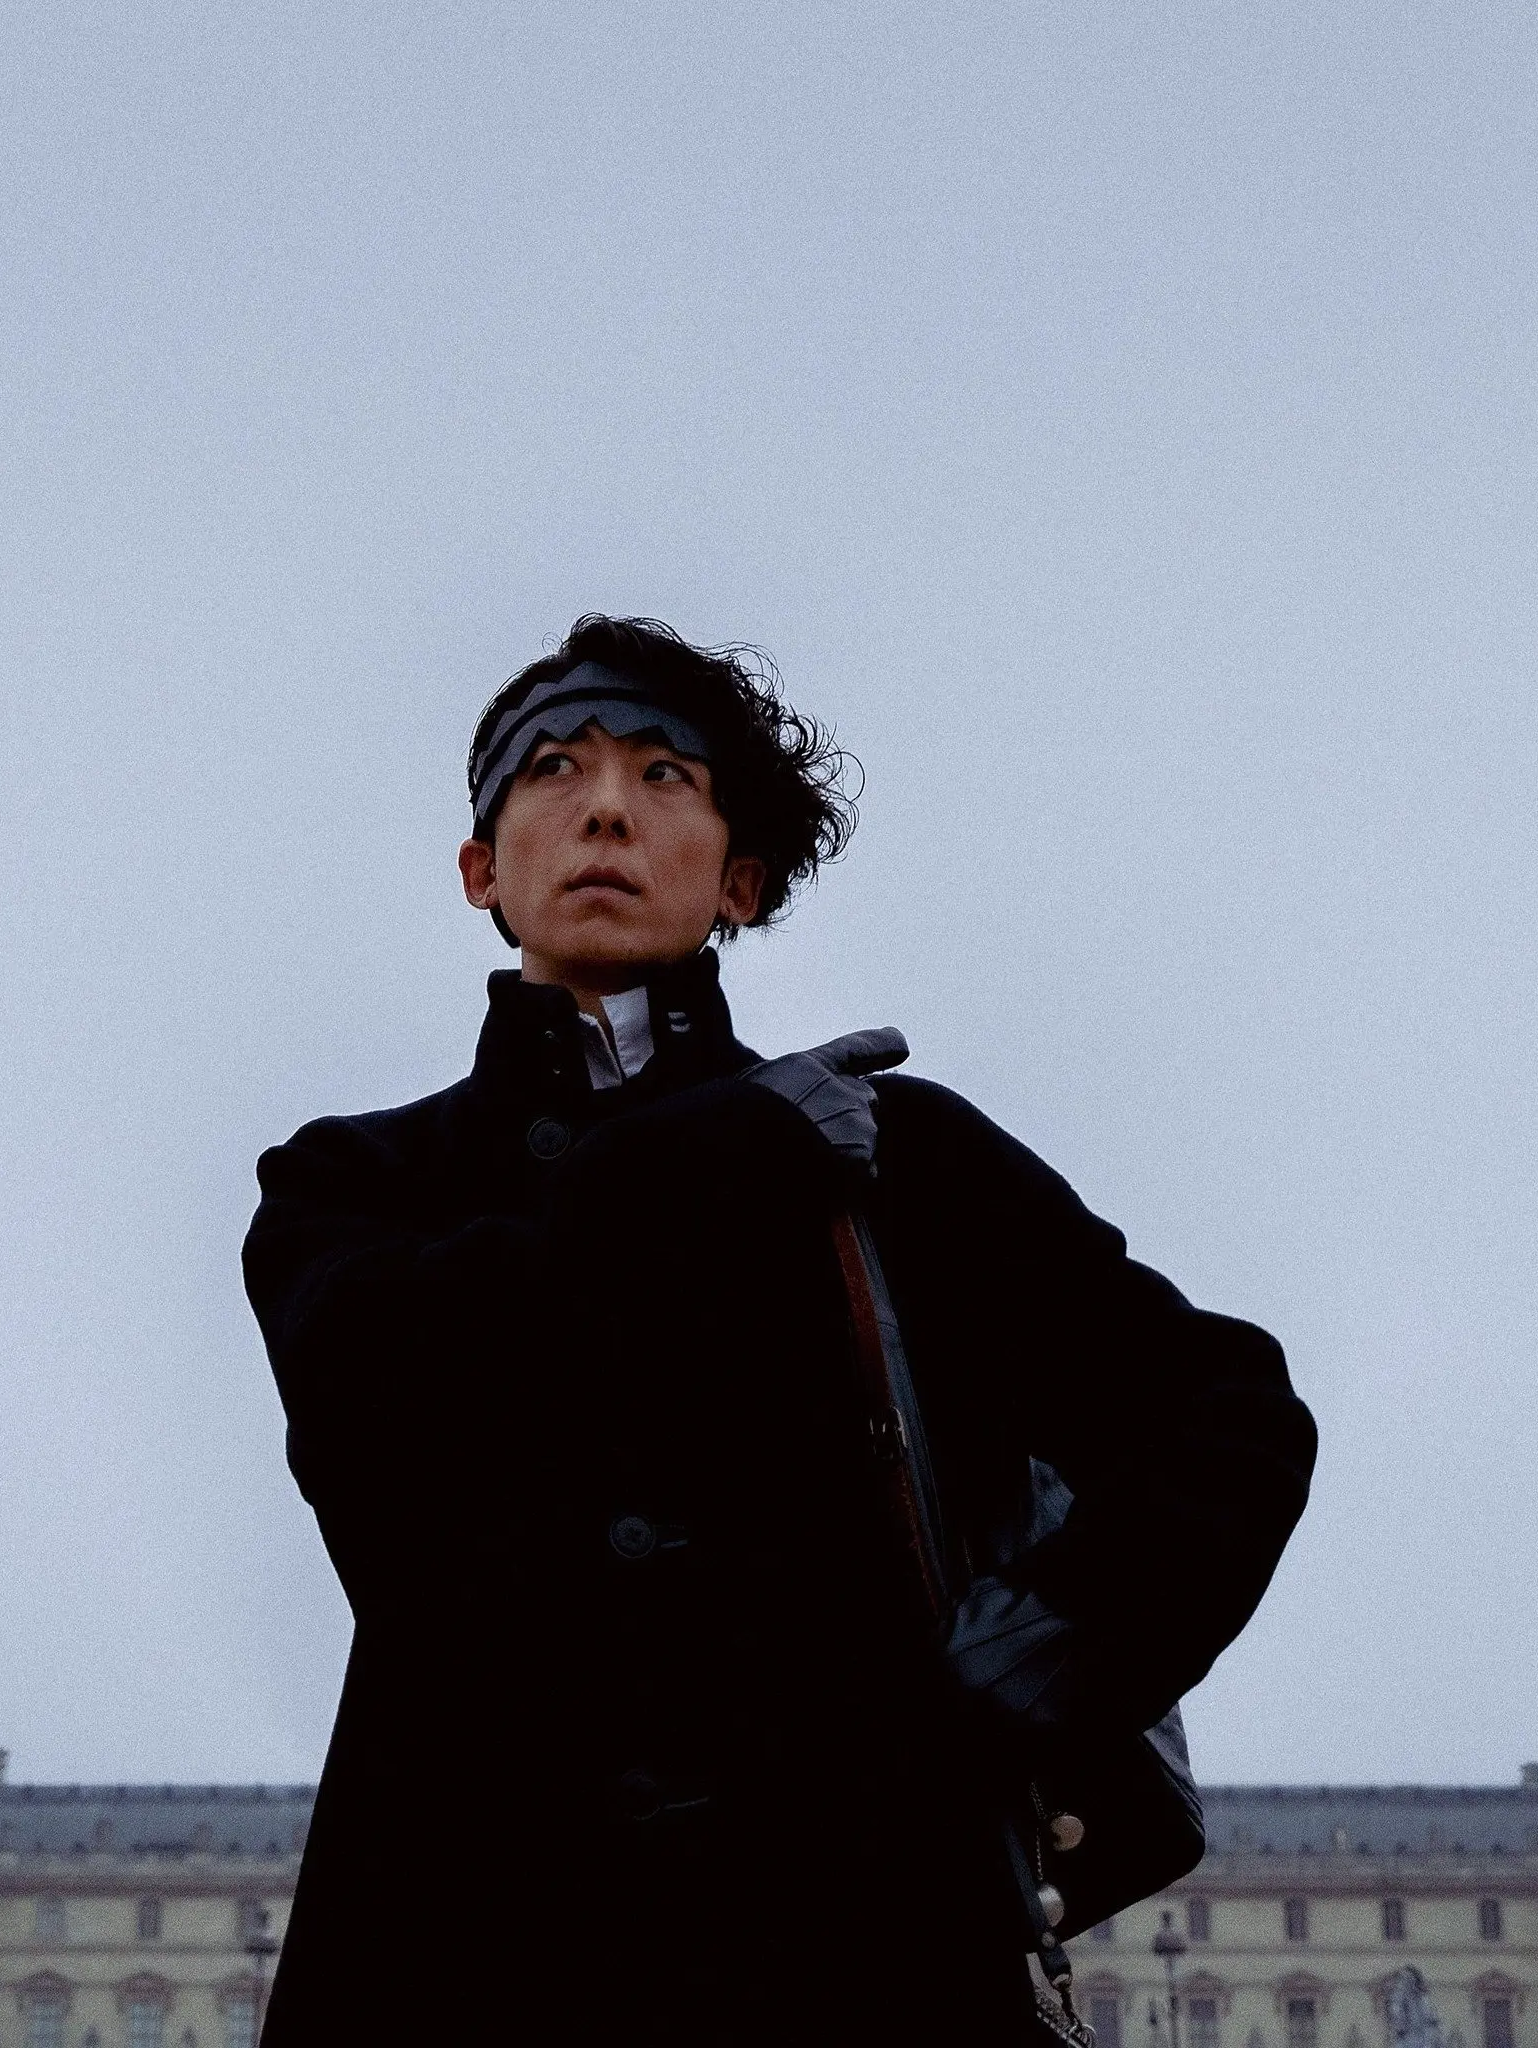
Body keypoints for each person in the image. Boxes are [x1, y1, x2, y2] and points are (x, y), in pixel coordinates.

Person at [242, 616, 1315, 2045]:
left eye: (668, 776)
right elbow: (379, 1418)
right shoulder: (353, 1184)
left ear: (739, 880)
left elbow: (1227, 1416)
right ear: (481, 871)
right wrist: (715, 1155)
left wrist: (1047, 1651)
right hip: (469, 1956)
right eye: (553, 768)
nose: (609, 804)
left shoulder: (905, 1159)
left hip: (863, 1952)